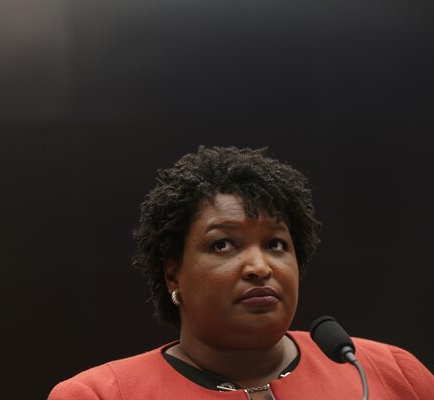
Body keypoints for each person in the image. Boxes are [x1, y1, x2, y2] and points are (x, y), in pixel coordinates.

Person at [48, 146, 434, 400]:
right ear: (173, 275)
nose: (260, 267)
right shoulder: (101, 395)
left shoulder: (387, 372)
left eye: (275, 244)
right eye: (223, 245)